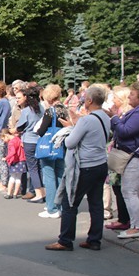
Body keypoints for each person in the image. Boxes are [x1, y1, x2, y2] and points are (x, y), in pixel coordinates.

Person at [45, 86, 110, 251]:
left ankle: (65, 240)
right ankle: (94, 240)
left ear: (89, 101)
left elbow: (70, 142)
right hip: (100, 164)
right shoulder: (104, 116)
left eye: (84, 98)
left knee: (70, 202)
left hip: (85, 166)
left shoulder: (87, 120)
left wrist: (70, 129)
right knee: (96, 204)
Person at [109, 81, 139, 239]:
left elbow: (125, 131)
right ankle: (138, 224)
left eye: (132, 94)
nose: (129, 96)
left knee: (129, 191)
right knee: (135, 192)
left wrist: (115, 117)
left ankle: (137, 227)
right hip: (138, 155)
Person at [36, 85, 71, 218]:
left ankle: (51, 208)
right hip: (62, 145)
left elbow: (41, 130)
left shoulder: (50, 111)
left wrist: (38, 130)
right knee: (60, 174)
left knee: (49, 177)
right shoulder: (63, 109)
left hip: (49, 146)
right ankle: (60, 205)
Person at [104, 86, 134, 231]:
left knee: (121, 187)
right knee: (116, 187)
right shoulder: (121, 113)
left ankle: (125, 219)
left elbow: (120, 131)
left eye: (115, 98)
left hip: (122, 154)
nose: (113, 100)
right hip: (116, 152)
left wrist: (113, 118)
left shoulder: (125, 114)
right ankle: (123, 218)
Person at [15, 86, 45, 204]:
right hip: (40, 139)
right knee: (40, 168)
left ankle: (38, 194)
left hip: (29, 140)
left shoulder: (27, 111)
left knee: (32, 168)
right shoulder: (42, 108)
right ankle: (43, 192)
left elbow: (20, 127)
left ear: (26, 97)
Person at [2, 130, 25, 199]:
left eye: (4, 139)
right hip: (21, 160)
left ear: (6, 135)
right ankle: (15, 193)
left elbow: (13, 152)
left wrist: (6, 158)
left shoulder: (11, 142)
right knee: (18, 178)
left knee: (12, 177)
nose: (4, 141)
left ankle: (9, 193)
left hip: (15, 161)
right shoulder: (17, 139)